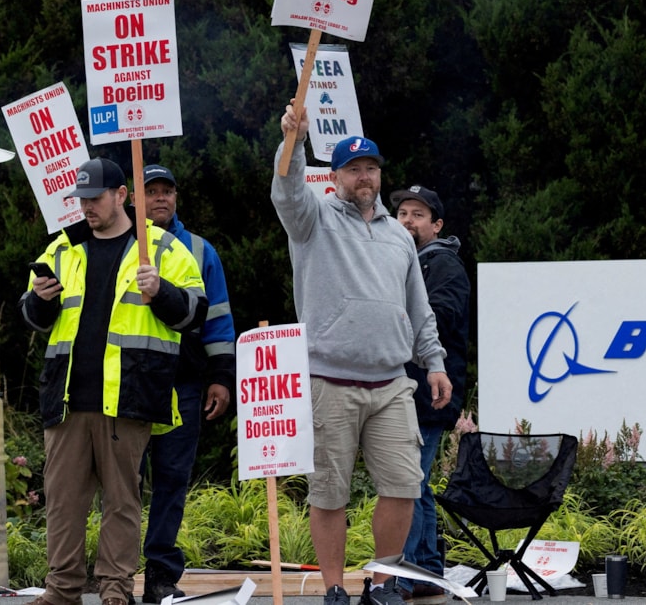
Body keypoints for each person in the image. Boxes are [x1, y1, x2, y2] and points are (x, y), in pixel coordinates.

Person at [270, 107, 451, 605]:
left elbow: (418, 307)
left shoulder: (399, 235)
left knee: (404, 486)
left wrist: (433, 362)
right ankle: (333, 588)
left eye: (370, 167)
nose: (364, 176)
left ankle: (383, 582)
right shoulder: (312, 219)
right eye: (353, 168)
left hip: (393, 381)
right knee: (329, 491)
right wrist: (294, 140)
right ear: (336, 177)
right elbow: (285, 189)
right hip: (329, 378)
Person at [17, 158, 207, 605]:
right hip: (67, 398)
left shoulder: (161, 248)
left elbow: (196, 313)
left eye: (95, 198)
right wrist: (40, 301)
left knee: (122, 501)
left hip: (129, 395)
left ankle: (116, 589)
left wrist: (162, 290)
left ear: (122, 195)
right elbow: (33, 317)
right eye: (81, 200)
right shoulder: (60, 249)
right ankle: (61, 589)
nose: (86, 207)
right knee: (64, 502)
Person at [137, 164, 236, 603]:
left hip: (184, 382)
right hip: (130, 383)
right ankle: (116, 573)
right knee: (123, 482)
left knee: (173, 479)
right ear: (133, 198)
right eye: (151, 191)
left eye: (167, 191)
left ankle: (160, 576)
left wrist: (220, 377)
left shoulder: (199, 249)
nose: (160, 198)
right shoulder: (119, 243)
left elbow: (218, 319)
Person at [389, 185, 470, 603]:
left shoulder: (443, 265)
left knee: (409, 482)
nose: (407, 220)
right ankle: (424, 571)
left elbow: (437, 317)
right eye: (402, 212)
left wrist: (389, 314)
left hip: (428, 394)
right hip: (408, 391)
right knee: (413, 482)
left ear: (436, 226)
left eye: (417, 214)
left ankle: (410, 575)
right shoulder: (404, 263)